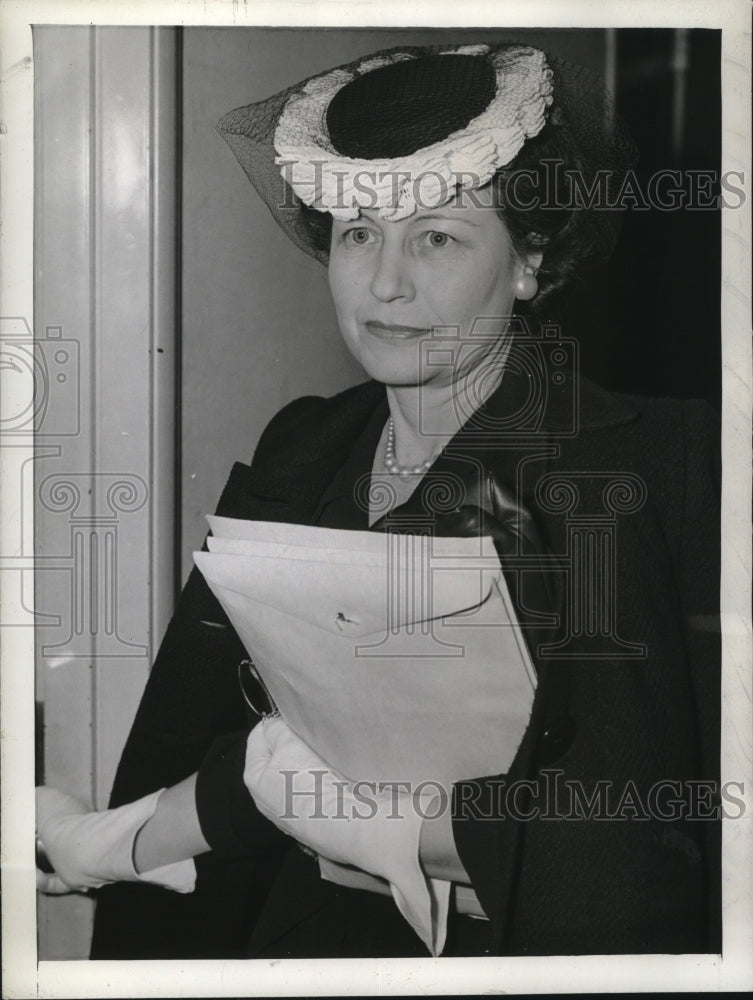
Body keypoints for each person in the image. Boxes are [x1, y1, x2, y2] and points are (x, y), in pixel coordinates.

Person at [36, 41, 721, 959]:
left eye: (436, 236)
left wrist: (355, 819)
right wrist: (111, 843)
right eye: (359, 232)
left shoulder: (643, 464)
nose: (385, 283)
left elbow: (638, 845)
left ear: (528, 258)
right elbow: (236, 738)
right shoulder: (309, 444)